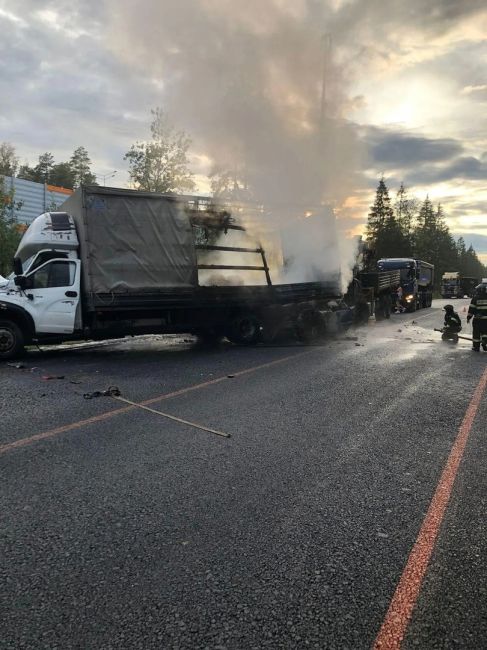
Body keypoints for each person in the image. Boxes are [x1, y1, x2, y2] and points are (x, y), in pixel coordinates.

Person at [467, 282, 487, 351]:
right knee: (485, 332)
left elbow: (471, 309)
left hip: (477, 319)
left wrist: (468, 317)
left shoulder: (475, 298)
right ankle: (484, 342)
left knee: (476, 333)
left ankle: (476, 347)